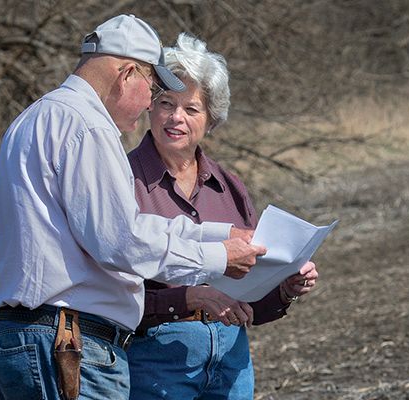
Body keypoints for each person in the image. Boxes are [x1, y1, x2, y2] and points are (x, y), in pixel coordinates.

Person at [0, 15, 266, 400]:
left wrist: (220, 234)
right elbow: (120, 241)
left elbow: (121, 227)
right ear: (127, 73)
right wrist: (216, 256)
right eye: (153, 88)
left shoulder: (36, 117)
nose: (151, 103)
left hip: (32, 336)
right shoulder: (89, 126)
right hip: (68, 344)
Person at [126, 33, 320, 399]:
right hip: (155, 357)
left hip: (232, 359)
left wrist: (285, 288)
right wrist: (186, 299)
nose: (176, 118)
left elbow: (252, 302)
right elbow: (109, 295)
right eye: (166, 103)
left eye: (192, 108)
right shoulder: (123, 181)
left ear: (211, 120)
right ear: (149, 106)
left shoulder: (229, 186)